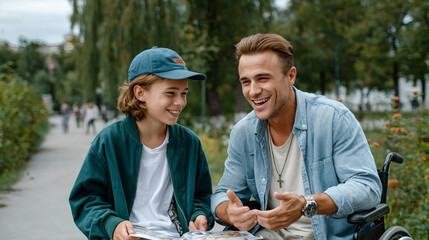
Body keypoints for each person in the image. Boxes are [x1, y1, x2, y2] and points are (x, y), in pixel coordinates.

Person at [211, 33, 382, 240]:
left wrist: (307, 204)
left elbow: (367, 187)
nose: (253, 91)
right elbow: (221, 195)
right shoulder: (243, 132)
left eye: (263, 78)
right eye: (245, 82)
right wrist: (229, 212)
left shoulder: (333, 118)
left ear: (291, 76)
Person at [69, 47, 214, 240]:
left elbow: (201, 196)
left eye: (184, 93)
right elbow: (86, 199)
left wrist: (199, 215)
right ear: (140, 93)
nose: (180, 102)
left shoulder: (190, 143)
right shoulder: (109, 141)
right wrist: (112, 224)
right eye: (170, 93)